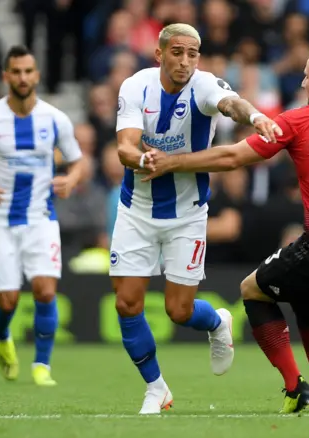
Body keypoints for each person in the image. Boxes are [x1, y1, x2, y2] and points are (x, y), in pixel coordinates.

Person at [139, 40, 309, 413]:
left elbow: (233, 157)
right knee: (303, 291)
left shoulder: (301, 118)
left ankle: (295, 387)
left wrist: (171, 163)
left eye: (308, 77)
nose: (303, 83)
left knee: (252, 289)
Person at [113, 23, 282, 415]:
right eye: (177, 52)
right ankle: (156, 388)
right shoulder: (135, 87)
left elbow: (231, 104)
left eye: (193, 53)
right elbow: (124, 145)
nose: (185, 61)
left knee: (179, 311)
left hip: (187, 215)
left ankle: (218, 322)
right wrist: (142, 159)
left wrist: (255, 116)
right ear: (159, 54)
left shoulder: (204, 85)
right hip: (136, 210)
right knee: (126, 302)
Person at [0, 45, 85, 387]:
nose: (23, 77)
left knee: (44, 290)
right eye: (17, 71)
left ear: (37, 75)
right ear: (6, 76)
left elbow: (78, 160)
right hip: (0, 220)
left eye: (29, 71)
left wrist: (70, 179)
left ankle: (42, 365)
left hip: (41, 216)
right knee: (8, 301)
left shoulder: (55, 119)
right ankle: (2, 337)